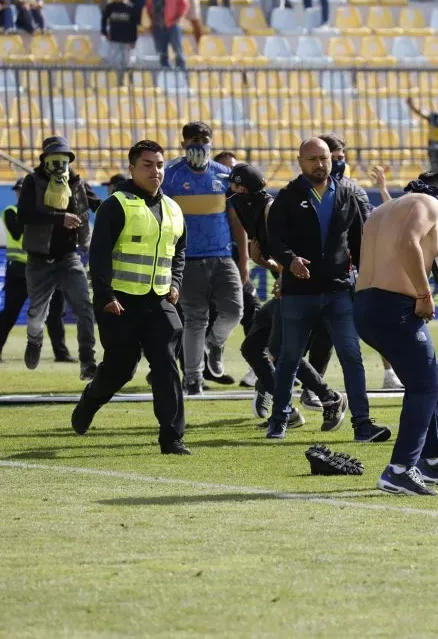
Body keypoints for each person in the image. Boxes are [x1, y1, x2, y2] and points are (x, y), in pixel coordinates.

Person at [70, 140, 191, 456]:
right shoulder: (116, 205)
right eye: (148, 165)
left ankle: (172, 438)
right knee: (120, 369)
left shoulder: (174, 209)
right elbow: (99, 255)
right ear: (133, 168)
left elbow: (179, 250)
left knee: (165, 365)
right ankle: (91, 401)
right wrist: (106, 294)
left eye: (160, 164)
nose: (156, 171)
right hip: (119, 303)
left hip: (160, 303)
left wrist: (175, 281)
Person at [265, 138, 389, 442]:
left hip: (339, 291)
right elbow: (274, 239)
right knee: (290, 357)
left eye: (324, 158)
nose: (319, 164)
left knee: (351, 355)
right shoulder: (288, 196)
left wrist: (366, 278)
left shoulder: (347, 192)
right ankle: (278, 420)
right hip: (298, 292)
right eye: (312, 159)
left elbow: (361, 242)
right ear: (299, 161)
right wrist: (289, 261)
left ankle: (362, 424)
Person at [356, 172, 438, 496]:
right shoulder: (431, 202)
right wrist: (423, 293)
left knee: (424, 377)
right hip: (395, 306)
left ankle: (431, 460)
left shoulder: (383, 210)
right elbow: (408, 242)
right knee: (425, 383)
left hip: (365, 305)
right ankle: (400, 469)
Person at [231, 162, 347, 427]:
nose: (231, 190)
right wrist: (268, 265)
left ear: (245, 187)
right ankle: (289, 409)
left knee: (281, 349)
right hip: (288, 285)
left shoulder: (271, 208)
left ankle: (327, 398)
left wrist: (282, 275)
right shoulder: (254, 208)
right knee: (254, 348)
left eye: (235, 185)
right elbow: (279, 258)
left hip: (299, 288)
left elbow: (293, 250)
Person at [161, 121, 245, 396]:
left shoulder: (225, 176)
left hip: (222, 256)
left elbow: (236, 221)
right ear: (183, 143)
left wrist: (242, 261)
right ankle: (193, 379)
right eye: (193, 139)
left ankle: (216, 342)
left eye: (204, 138)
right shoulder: (170, 176)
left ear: (212, 141)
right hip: (187, 259)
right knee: (195, 319)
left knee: (234, 311)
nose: (199, 143)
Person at [319, 133, 403, 391]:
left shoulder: (354, 189)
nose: (338, 162)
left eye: (341, 157)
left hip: (355, 270)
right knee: (315, 332)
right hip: (321, 272)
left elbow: (372, 225)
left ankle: (390, 374)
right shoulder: (306, 191)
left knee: (374, 321)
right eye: (333, 158)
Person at [18, 136, 101, 379]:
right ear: (45, 160)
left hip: (68, 256)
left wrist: (121, 211)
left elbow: (98, 205)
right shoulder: (32, 182)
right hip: (39, 259)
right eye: (54, 159)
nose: (60, 164)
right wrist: (59, 218)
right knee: (36, 314)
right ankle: (35, 340)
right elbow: (24, 215)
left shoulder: (77, 182)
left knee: (84, 307)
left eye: (64, 159)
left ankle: (87, 360)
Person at [1, 178, 73, 364]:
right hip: (19, 270)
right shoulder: (11, 212)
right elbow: (17, 232)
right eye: (20, 191)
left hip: (47, 268)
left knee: (55, 313)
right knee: (10, 312)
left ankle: (61, 353)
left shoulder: (48, 214)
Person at [146, 0, 190, 70]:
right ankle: (166, 76)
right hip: (158, 24)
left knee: (178, 51)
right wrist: (152, 20)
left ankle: (182, 75)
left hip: (172, 24)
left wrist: (178, 19)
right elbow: (149, 4)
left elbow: (184, 4)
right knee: (162, 53)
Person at [102, 0, 138, 86]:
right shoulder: (111, 7)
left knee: (127, 62)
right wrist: (105, 32)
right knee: (114, 61)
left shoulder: (131, 8)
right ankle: (115, 81)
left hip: (126, 39)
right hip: (114, 38)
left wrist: (133, 39)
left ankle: (127, 81)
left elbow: (133, 25)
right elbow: (104, 20)